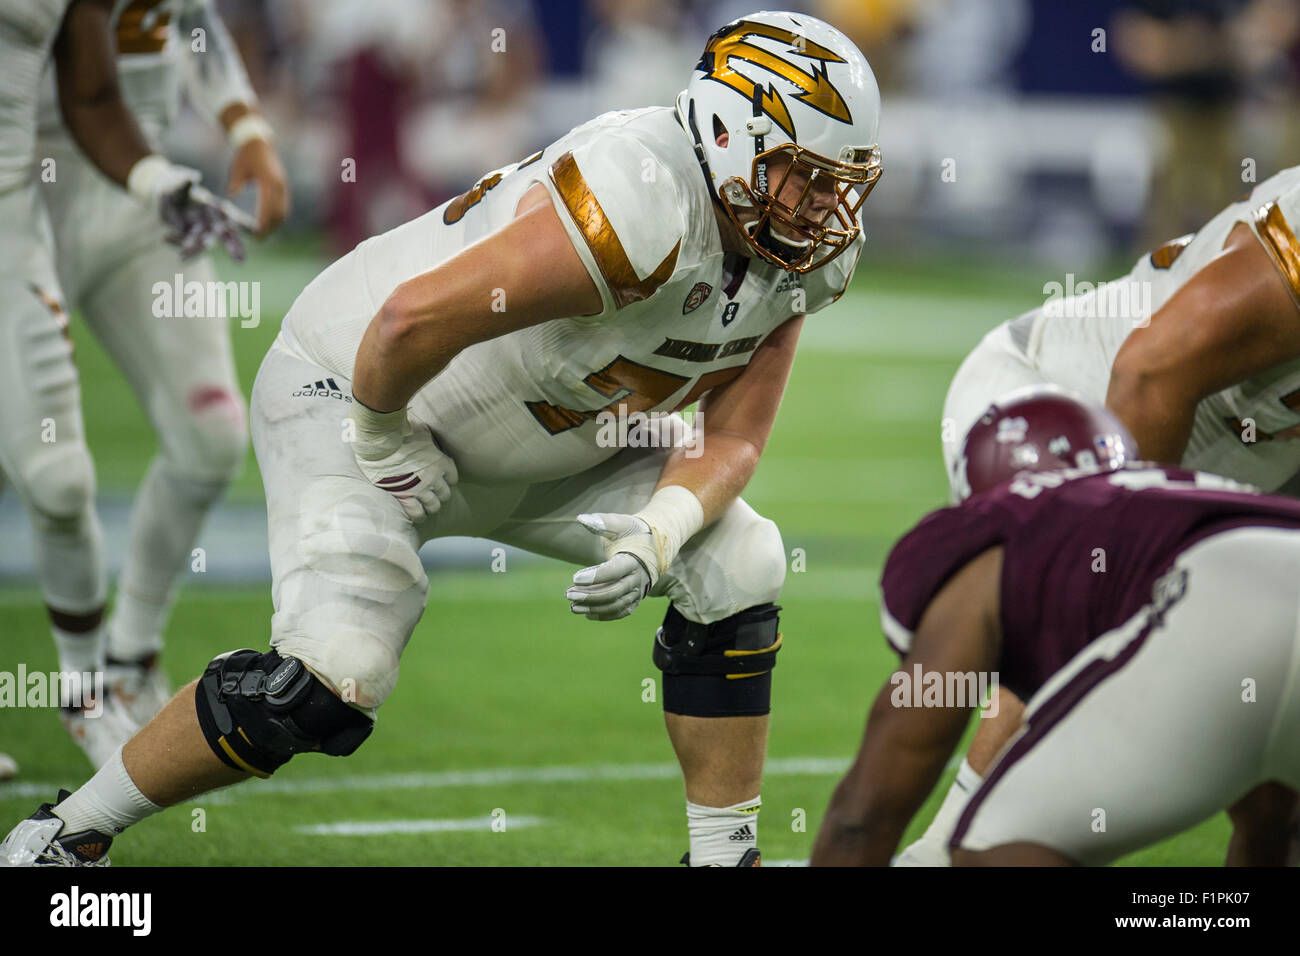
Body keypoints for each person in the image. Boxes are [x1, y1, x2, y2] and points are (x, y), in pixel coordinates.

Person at [0, 11, 882, 867]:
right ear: (729, 136)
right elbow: (408, 321)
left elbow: (732, 432)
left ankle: (724, 859)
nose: (825, 209)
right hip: (359, 393)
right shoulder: (642, 200)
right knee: (329, 678)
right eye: (803, 176)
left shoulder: (802, 257)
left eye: (841, 183)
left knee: (739, 559)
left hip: (551, 446)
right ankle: (64, 835)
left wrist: (662, 532)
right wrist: (381, 435)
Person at [901, 159, 1300, 866]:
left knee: (1279, 783)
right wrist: (1134, 564)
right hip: (1065, 404)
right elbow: (1152, 369)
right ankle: (948, 846)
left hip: (1242, 472)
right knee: (1086, 623)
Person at [813, 386, 1300, 866]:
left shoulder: (996, 533)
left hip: (1209, 589)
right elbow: (1266, 812)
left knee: (985, 856)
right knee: (1279, 826)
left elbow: (865, 815)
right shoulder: (1179, 500)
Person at [0, 0, 248, 770]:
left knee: (169, 450)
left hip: (59, 197)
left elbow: (98, 92)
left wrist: (201, 155)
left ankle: (109, 676)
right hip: (31, 205)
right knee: (48, 472)